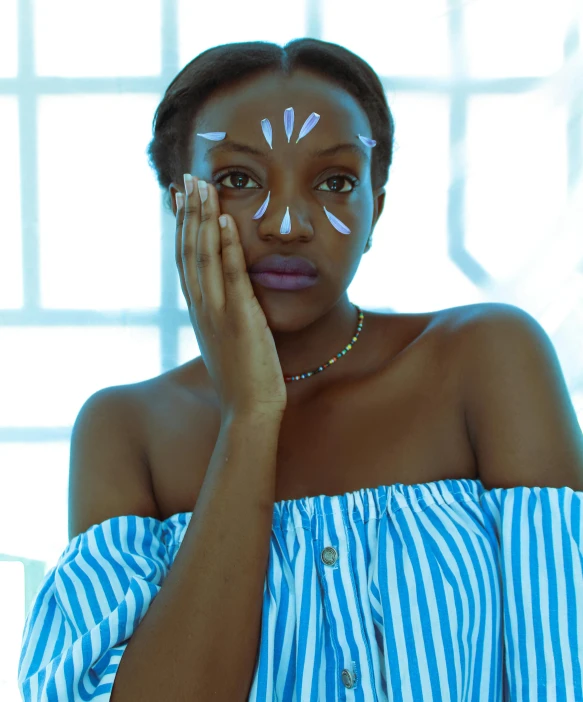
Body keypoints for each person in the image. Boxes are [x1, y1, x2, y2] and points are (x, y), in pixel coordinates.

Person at [18, 39, 583, 701]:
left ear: (375, 207)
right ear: (179, 205)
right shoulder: (127, 431)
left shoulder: (483, 360)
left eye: (335, 183)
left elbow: (563, 667)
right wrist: (249, 416)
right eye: (237, 180)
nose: (286, 224)